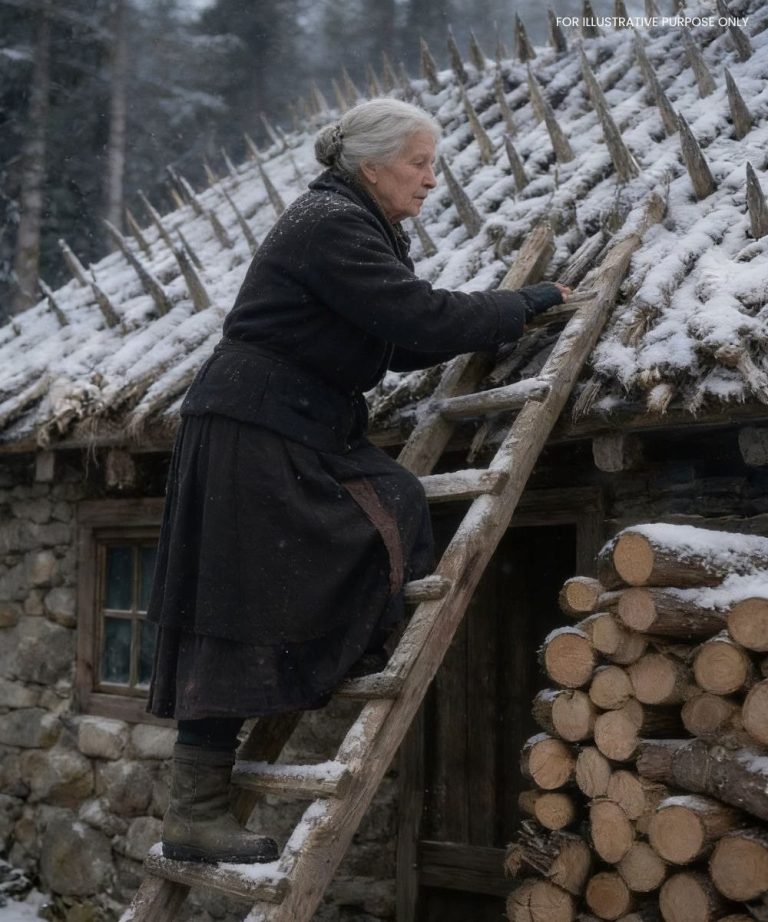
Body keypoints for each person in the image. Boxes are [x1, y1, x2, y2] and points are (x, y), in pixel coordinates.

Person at [146, 97, 570, 864]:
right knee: (238, 598)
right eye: (420, 164)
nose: (432, 181)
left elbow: (391, 340)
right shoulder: (332, 224)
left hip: (296, 420)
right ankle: (196, 810)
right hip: (256, 425)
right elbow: (417, 319)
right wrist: (521, 304)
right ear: (372, 164)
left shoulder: (353, 221)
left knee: (396, 501)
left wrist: (503, 318)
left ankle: (346, 649)